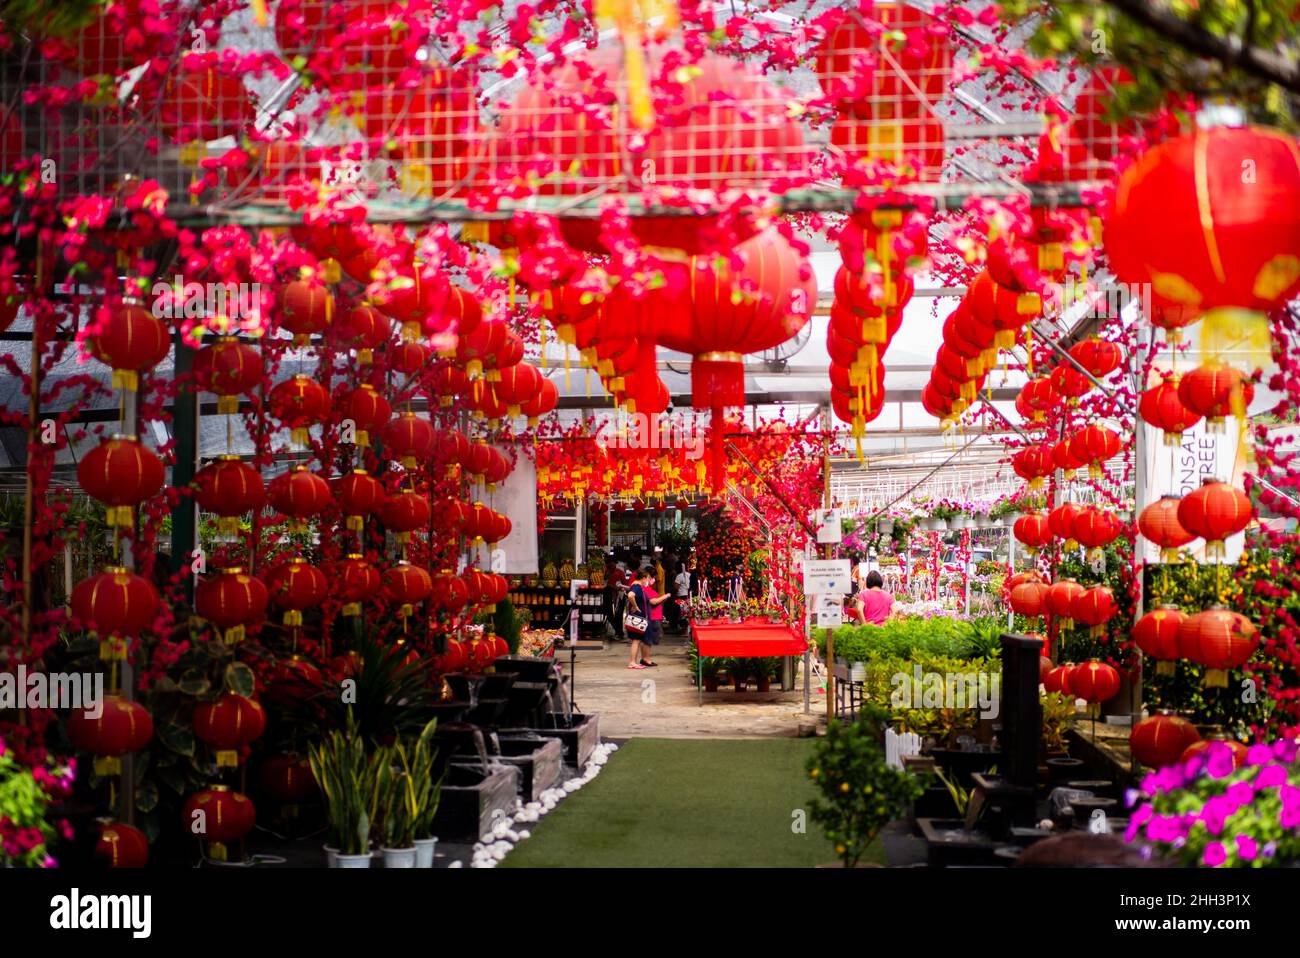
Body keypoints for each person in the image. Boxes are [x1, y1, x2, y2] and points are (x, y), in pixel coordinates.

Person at [628, 565, 670, 668]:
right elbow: (630, 595)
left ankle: (635, 661)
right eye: (648, 578)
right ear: (643, 578)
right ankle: (633, 662)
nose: (649, 580)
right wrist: (635, 606)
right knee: (637, 640)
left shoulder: (637, 586)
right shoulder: (637, 586)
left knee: (638, 640)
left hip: (640, 616)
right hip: (639, 617)